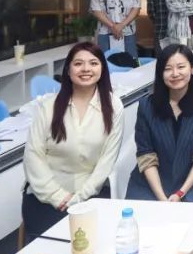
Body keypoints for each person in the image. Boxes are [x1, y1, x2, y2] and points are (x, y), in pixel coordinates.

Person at [23, 43, 122, 238]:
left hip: (92, 195)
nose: (86, 69)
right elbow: (33, 156)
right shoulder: (48, 107)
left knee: (95, 248)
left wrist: (80, 198)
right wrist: (58, 196)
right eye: (78, 64)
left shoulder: (113, 107)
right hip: (46, 195)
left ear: (102, 69)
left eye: (93, 63)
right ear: (68, 70)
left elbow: (107, 161)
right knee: (46, 251)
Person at [127, 45, 193, 202]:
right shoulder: (146, 106)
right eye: (168, 69)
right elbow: (146, 155)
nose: (175, 74)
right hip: (151, 184)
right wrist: (162, 199)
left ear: (192, 69)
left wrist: (180, 193)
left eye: (181, 67)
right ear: (160, 73)